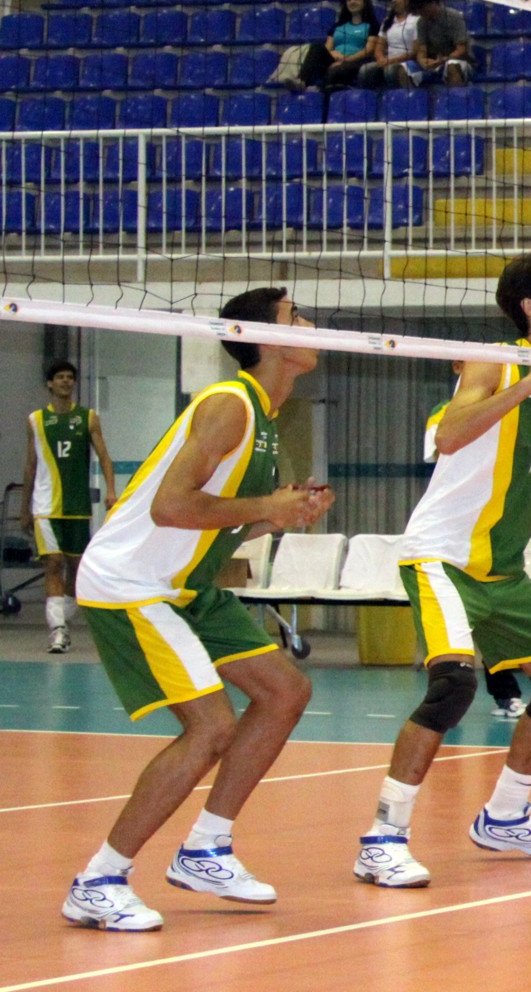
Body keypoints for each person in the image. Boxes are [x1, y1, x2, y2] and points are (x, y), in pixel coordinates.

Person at [354, 253, 531, 889]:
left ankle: (505, 816)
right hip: (442, 557)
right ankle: (383, 837)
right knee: (452, 687)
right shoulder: (493, 358)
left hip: (502, 571)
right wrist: (527, 380)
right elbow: (450, 436)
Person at [63, 289, 331, 931]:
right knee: (210, 726)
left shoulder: (267, 416)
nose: (312, 325)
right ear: (265, 338)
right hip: (133, 582)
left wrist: (281, 513)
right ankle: (98, 879)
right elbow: (169, 507)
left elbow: (219, 522)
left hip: (188, 586)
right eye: (296, 316)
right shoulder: (229, 405)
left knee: (283, 691)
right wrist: (266, 507)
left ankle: (206, 847)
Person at [421, 363, 527, 720]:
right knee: (460, 632)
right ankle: (450, 692)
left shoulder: (514, 400)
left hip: (490, 536)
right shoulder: (445, 413)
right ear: (456, 365)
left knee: (490, 624)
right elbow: (443, 449)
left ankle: (505, 692)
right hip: (452, 537)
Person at [21, 360, 116, 655]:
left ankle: (62, 614)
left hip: (77, 506)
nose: (65, 382)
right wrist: (25, 507)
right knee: (53, 564)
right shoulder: (36, 420)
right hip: (45, 506)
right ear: (49, 384)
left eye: (70, 377)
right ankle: (58, 630)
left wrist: (111, 490)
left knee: (77, 570)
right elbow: (30, 465)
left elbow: (104, 456)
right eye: (60, 377)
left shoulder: (87, 418)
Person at [291, 0, 379, 92]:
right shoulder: (337, 26)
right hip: (336, 58)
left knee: (337, 70)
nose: (352, 1)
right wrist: (333, 54)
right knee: (317, 47)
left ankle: (319, 90)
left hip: (356, 61)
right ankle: (300, 82)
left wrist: (346, 59)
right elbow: (328, 47)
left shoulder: (372, 25)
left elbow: (369, 50)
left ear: (365, 2)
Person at [407, 0, 472, 87]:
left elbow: (462, 50)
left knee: (452, 65)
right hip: (436, 63)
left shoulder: (453, 17)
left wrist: (443, 60)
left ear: (433, 3)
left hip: (461, 61)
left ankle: (456, 99)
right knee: (405, 69)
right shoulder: (421, 22)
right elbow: (421, 50)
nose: (420, 11)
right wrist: (423, 61)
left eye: (422, 7)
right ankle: (413, 100)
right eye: (418, 8)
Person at [358, 0, 418, 89]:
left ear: (408, 0)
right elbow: (379, 47)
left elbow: (415, 51)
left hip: (407, 61)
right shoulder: (387, 21)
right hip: (387, 61)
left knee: (390, 70)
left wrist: (391, 61)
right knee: (365, 70)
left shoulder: (416, 20)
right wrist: (381, 59)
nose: (394, 0)